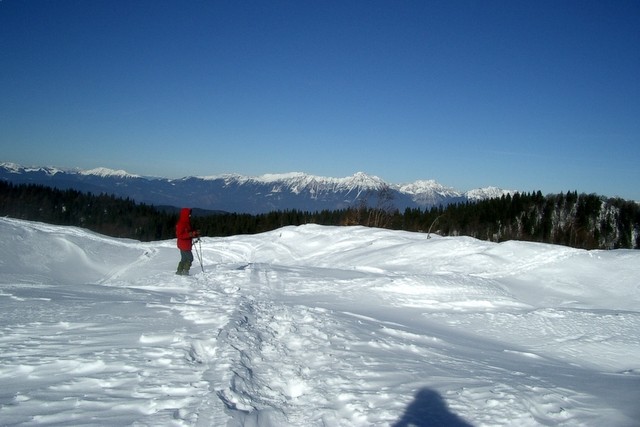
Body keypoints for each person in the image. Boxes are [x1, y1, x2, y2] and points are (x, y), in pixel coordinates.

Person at [175, 208, 199, 275]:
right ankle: (185, 271)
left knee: (184, 259)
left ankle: (179, 271)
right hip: (184, 245)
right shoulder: (181, 224)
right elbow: (179, 235)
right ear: (185, 215)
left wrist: (195, 233)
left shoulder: (186, 223)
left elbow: (189, 233)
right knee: (190, 258)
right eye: (189, 214)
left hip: (185, 244)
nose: (190, 216)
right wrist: (190, 234)